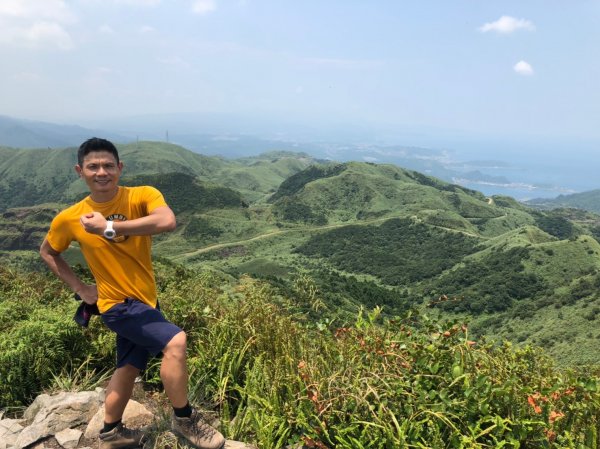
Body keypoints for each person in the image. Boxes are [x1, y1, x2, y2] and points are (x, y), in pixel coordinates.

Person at [40, 137, 225, 449]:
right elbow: (48, 252)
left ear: (120, 168)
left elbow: (167, 221)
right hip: (116, 305)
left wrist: (108, 228)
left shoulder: (141, 195)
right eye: (93, 166)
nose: (102, 172)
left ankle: (110, 433)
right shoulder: (70, 218)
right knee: (176, 341)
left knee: (128, 367)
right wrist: (81, 288)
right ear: (79, 171)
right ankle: (184, 419)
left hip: (146, 300)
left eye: (108, 165)